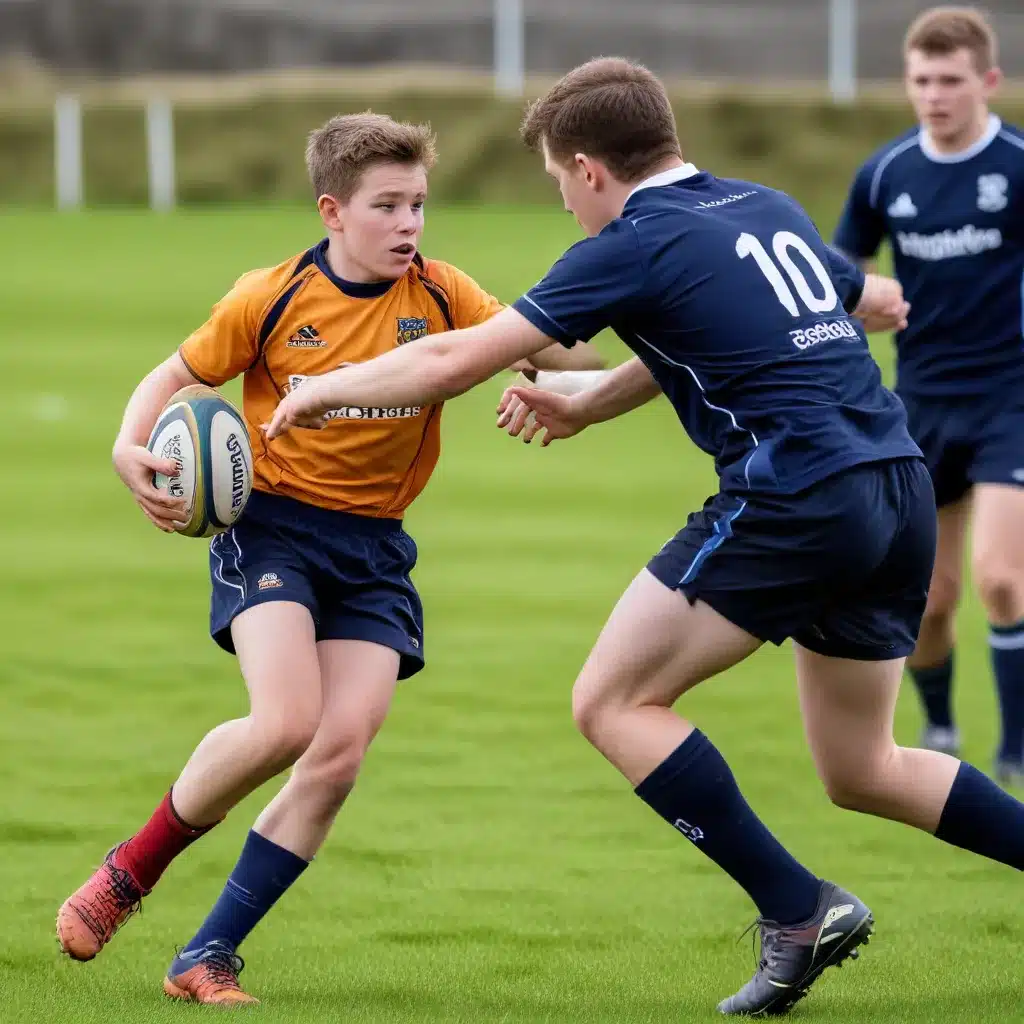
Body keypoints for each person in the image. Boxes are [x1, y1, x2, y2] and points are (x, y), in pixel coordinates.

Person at [265, 57, 1024, 1018]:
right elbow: (786, 317)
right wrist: (591, 408)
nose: (567, 207)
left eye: (557, 185)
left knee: (612, 700)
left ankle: (797, 910)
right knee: (864, 768)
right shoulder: (763, 205)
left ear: (588, 169)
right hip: (896, 484)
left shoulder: (629, 240)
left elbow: (457, 357)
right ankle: (815, 906)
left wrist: (320, 388)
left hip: (798, 492)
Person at [55, 110, 601, 1006]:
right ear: (332, 211)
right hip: (272, 527)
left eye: (419, 204)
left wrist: (656, 336)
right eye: (386, 206)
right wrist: (127, 443)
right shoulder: (269, 296)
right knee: (285, 723)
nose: (409, 225)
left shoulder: (444, 297)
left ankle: (208, 955)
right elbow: (171, 378)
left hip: (375, 550)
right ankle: (130, 871)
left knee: (339, 753)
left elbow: (554, 349)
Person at [833, 6, 1024, 779]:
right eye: (921, 81)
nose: (934, 96)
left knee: (1002, 578)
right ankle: (940, 728)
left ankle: (1015, 751)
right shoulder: (885, 174)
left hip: (1011, 395)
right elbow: (839, 278)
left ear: (987, 81)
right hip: (921, 398)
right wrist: (860, 311)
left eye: (950, 80)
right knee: (932, 599)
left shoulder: (1016, 164)